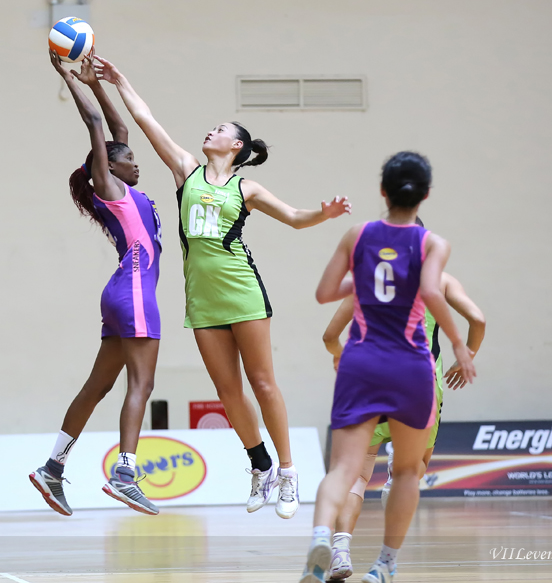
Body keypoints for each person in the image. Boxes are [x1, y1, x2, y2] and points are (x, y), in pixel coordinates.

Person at [93, 55, 351, 518]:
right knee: (228, 391)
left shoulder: (245, 188)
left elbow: (293, 218)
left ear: (236, 145)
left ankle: (289, 473)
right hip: (202, 299)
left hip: (243, 290)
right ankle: (260, 465)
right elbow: (145, 119)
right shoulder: (186, 171)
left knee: (262, 382)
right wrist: (119, 80)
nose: (210, 132)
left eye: (220, 129)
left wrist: (324, 214)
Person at [302, 151, 476, 583]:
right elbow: (433, 293)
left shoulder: (357, 234)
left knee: (343, 469)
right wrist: (459, 344)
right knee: (405, 472)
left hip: (361, 361)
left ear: (383, 191)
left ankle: (321, 539)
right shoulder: (432, 243)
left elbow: (324, 293)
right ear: (426, 195)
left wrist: (362, 278)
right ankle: (384, 564)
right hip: (412, 365)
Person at [29, 53, 163, 517]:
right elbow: (96, 125)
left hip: (118, 293)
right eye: (128, 159)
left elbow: (117, 129)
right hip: (135, 292)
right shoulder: (109, 186)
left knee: (98, 385)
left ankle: (52, 467)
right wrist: (66, 76)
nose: (135, 163)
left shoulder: (124, 190)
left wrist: (100, 84)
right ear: (108, 167)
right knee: (141, 385)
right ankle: (125, 474)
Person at [322, 259, 486, 580]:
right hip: (419, 381)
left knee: (356, 473)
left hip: (369, 379)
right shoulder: (440, 280)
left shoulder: (367, 280)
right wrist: (468, 354)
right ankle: (386, 560)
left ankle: (340, 551)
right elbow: (477, 319)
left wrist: (340, 355)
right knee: (411, 472)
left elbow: (330, 335)